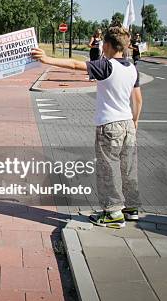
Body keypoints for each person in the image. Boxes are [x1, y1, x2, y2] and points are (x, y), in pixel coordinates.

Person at [31, 26, 142, 228]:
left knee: (108, 168)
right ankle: (131, 208)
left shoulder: (107, 66)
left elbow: (75, 64)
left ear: (106, 45)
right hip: (127, 124)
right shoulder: (132, 68)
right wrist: (135, 120)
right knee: (128, 167)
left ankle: (113, 213)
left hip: (109, 125)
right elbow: (138, 99)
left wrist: (47, 60)